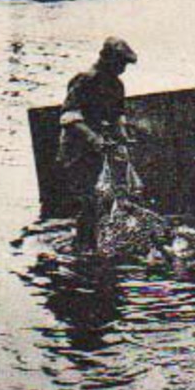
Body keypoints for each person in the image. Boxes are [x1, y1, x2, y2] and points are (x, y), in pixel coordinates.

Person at [58, 37, 137, 250]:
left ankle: (90, 243)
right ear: (107, 60)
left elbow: (117, 117)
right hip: (77, 150)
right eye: (120, 64)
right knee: (87, 200)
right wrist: (95, 139)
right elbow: (69, 117)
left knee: (102, 199)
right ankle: (82, 247)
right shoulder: (85, 80)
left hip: (99, 150)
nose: (123, 69)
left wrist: (123, 137)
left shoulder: (116, 85)